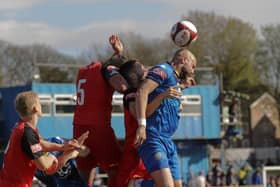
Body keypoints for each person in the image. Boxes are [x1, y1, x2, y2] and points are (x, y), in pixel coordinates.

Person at [135, 48, 197, 187]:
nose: (193, 71)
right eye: (193, 66)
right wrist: (142, 125)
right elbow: (142, 91)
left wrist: (182, 88)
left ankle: (144, 183)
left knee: (177, 185)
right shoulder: (163, 69)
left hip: (167, 140)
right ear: (184, 59)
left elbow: (168, 98)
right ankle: (139, 184)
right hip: (153, 137)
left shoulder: (174, 80)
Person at [73, 34, 129, 187]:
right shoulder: (104, 70)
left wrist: (117, 54)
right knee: (117, 170)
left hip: (78, 127)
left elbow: (106, 66)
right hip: (99, 127)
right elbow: (118, 81)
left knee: (84, 175)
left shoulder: (82, 71)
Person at [118, 60, 184, 187]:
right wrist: (162, 97)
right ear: (133, 76)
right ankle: (138, 184)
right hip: (139, 142)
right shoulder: (132, 94)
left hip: (154, 139)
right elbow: (140, 114)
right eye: (142, 67)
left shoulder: (150, 88)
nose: (147, 68)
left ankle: (140, 183)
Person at [0, 91, 88, 187]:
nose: (41, 106)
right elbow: (44, 165)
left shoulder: (21, 127)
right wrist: (58, 157)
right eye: (40, 103)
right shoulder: (27, 133)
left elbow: (41, 144)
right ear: (35, 108)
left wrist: (63, 147)